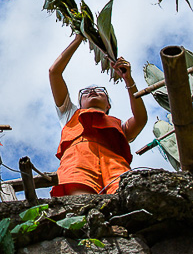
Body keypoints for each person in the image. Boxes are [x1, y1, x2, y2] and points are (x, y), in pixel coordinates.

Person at [49, 33, 147, 196]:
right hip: (78, 161)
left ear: (108, 105)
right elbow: (54, 73)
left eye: (100, 91)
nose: (92, 91)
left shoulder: (119, 126)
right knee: (82, 203)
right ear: (79, 104)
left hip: (116, 164)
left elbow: (141, 119)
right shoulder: (70, 113)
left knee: (123, 198)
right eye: (85, 92)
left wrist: (128, 79)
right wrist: (78, 39)